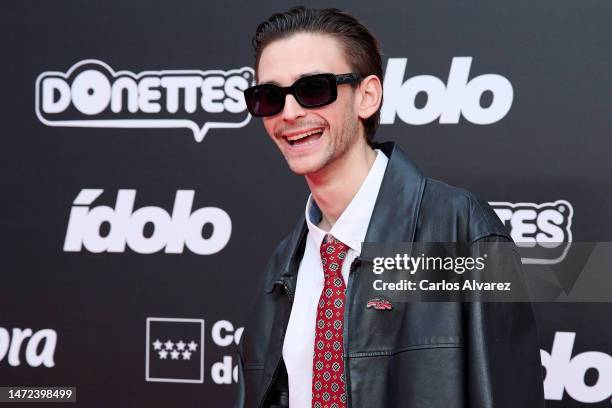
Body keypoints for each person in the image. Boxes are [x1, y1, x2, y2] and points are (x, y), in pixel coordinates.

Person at [235, 6, 545, 408]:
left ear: (367, 97)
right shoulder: (284, 265)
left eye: (313, 89)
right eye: (269, 97)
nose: (290, 113)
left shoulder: (460, 230)